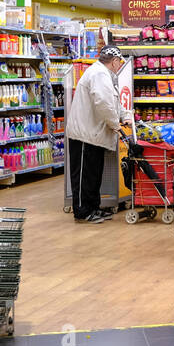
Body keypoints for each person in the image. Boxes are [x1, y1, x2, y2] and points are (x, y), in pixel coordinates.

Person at [66, 45, 125, 224]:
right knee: (84, 175)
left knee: (93, 174)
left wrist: (124, 116)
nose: (120, 65)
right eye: (119, 62)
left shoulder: (103, 74)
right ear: (114, 61)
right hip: (85, 134)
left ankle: (93, 207)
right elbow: (104, 103)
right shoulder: (99, 74)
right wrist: (116, 125)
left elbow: (112, 103)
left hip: (93, 134)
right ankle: (82, 212)